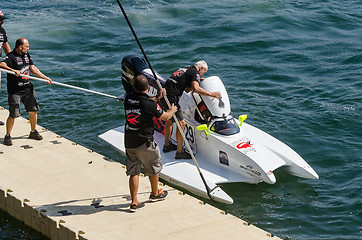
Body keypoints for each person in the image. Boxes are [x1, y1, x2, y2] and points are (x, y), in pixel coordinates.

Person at [124, 74, 177, 212]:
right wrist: (172, 110)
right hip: (144, 142)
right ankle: (155, 193)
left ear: (134, 87)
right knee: (154, 168)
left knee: (134, 171)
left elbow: (144, 103)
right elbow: (165, 117)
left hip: (129, 141)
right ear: (148, 87)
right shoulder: (148, 104)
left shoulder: (128, 99)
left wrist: (157, 97)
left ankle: (134, 202)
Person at [160, 60, 221, 159]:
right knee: (181, 123)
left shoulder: (186, 68)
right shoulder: (194, 72)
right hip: (171, 98)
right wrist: (212, 94)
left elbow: (187, 89)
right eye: (202, 73)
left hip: (164, 94)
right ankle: (179, 152)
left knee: (171, 120)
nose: (200, 75)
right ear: (201, 68)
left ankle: (167, 145)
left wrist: (197, 80)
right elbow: (196, 89)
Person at [0, 37, 52, 146]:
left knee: (33, 110)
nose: (28, 48)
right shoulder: (11, 56)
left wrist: (44, 77)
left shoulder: (26, 55)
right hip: (15, 91)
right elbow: (1, 64)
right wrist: (13, 70)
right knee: (13, 114)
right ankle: (8, 135)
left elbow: (32, 68)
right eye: (26, 46)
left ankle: (33, 132)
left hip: (28, 88)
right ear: (20, 47)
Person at [0, 11, 11, 126]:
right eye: (0, 19)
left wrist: (12, 61)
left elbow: (6, 46)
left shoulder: (2, 31)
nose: (2, 21)